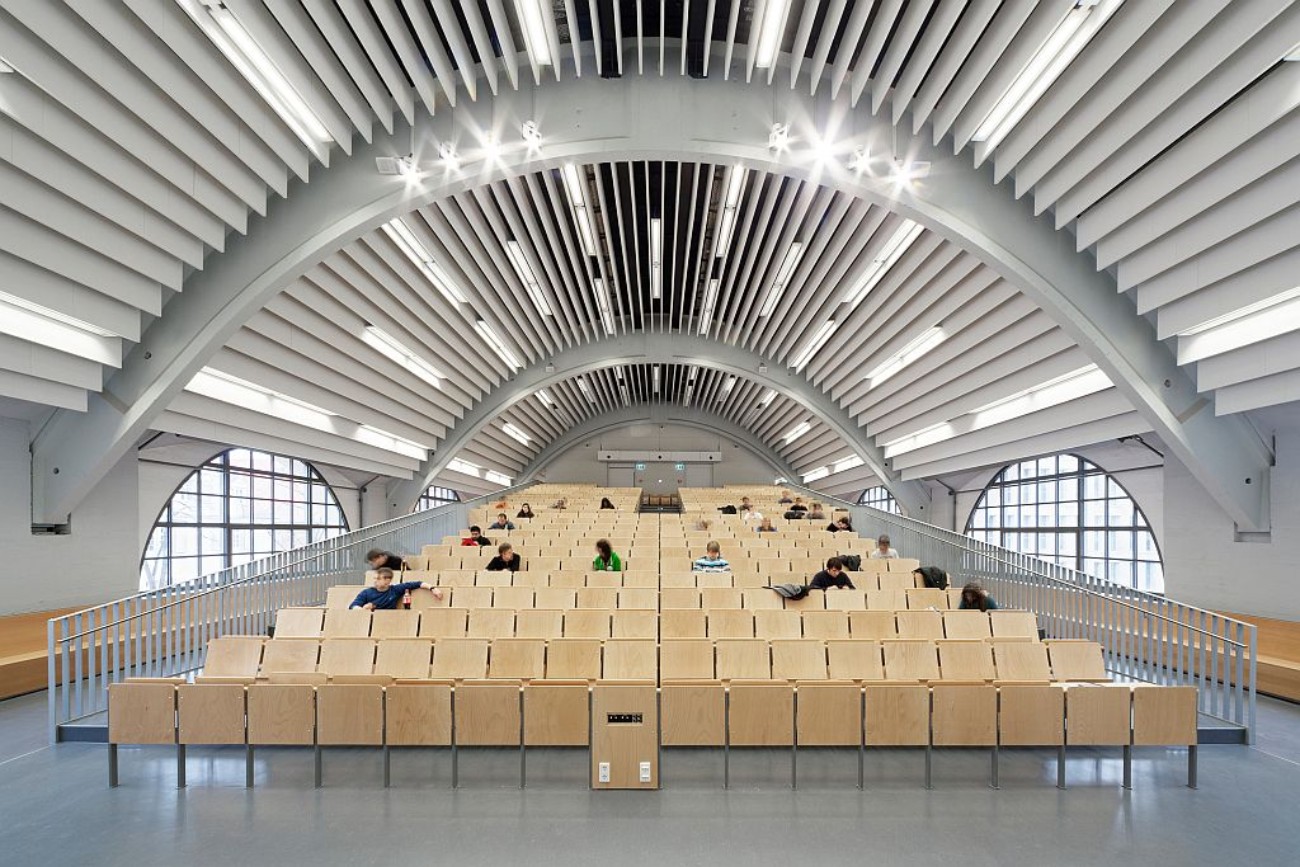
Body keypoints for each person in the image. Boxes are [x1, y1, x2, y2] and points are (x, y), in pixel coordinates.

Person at [350, 567, 442, 610]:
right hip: (371, 622)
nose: (375, 581)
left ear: (388, 581)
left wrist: (433, 588)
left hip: (391, 621)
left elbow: (418, 583)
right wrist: (363, 609)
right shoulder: (366, 593)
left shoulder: (395, 590)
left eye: (378, 579)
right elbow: (353, 606)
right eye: (375, 579)